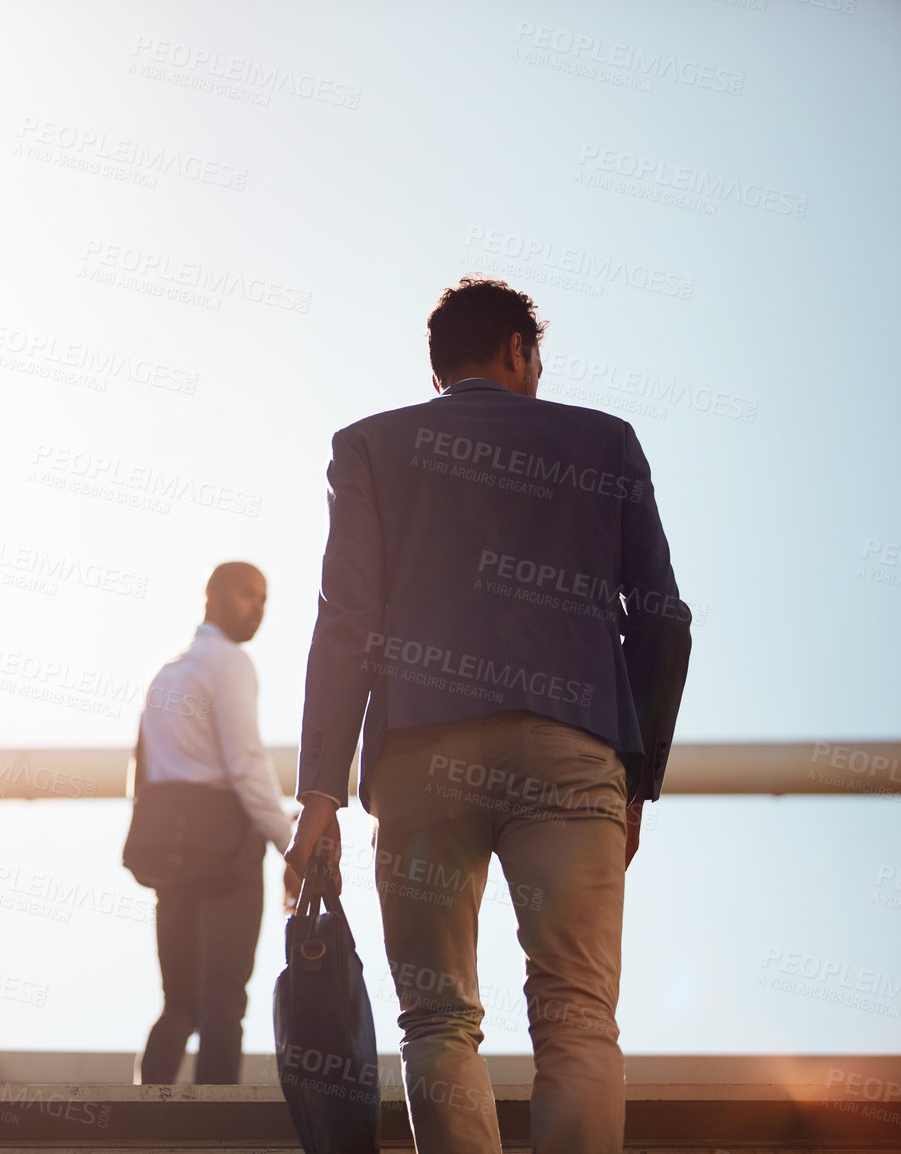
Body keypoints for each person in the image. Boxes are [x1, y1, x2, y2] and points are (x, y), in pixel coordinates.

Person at [285, 278, 691, 1153]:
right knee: (577, 1014)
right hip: (573, 745)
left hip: (421, 757)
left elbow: (345, 618)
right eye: (535, 356)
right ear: (517, 349)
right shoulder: (603, 440)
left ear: (439, 367)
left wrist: (320, 791)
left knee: (436, 1020)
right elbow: (663, 617)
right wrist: (637, 777)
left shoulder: (368, 448)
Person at [134, 562, 298, 1085]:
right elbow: (246, 764)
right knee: (224, 996)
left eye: (264, 599)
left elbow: (144, 769)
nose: (259, 609)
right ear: (214, 596)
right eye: (249, 595)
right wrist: (290, 842)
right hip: (226, 849)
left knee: (178, 1001)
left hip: (168, 850)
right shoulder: (230, 663)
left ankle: (138, 1112)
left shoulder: (166, 671)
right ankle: (214, 1124)